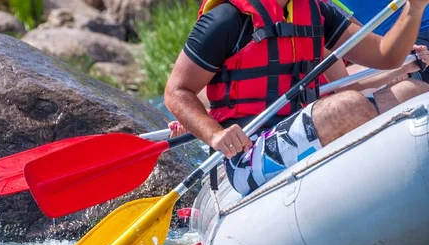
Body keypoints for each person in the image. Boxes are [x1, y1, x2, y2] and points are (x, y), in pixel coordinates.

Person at [164, 0, 429, 197]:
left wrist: (414, 8)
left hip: (305, 128)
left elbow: (386, 56)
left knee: (412, 93)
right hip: (247, 154)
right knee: (347, 106)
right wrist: (212, 134)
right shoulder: (226, 20)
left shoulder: (317, 11)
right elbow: (177, 91)